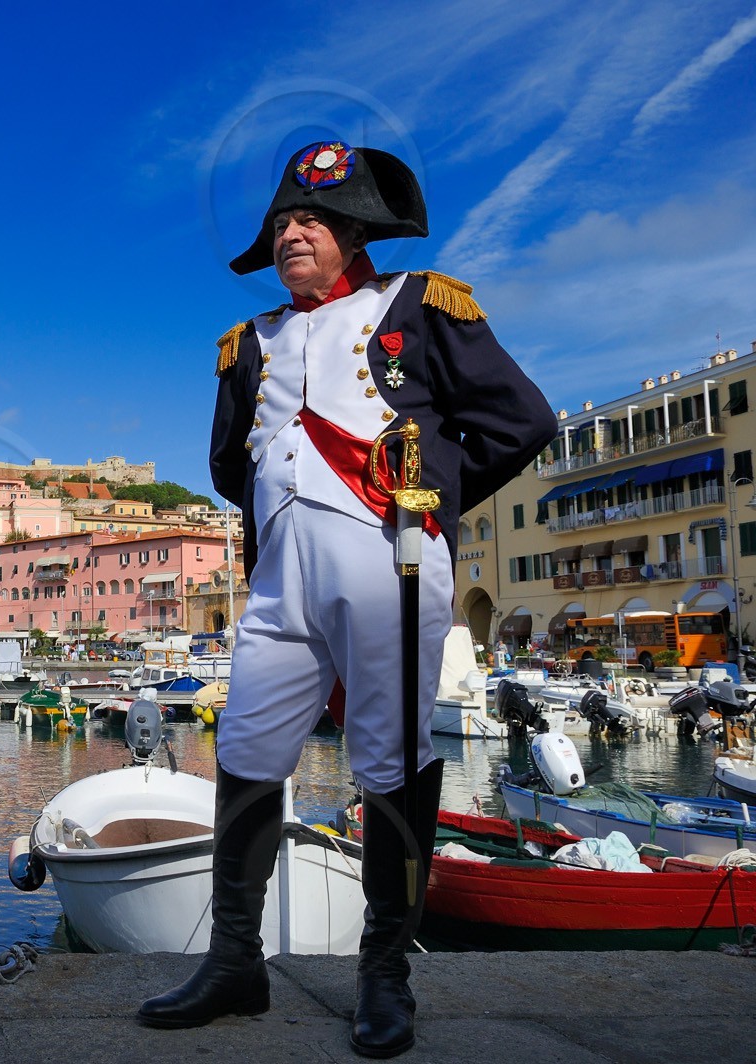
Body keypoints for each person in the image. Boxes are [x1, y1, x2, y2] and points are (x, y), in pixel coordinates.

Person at [137, 141, 556, 1057]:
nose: (293, 232)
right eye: (285, 221)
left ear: (356, 233)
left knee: (391, 760)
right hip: (281, 573)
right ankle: (236, 962)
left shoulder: (419, 306)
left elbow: (523, 421)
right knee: (246, 747)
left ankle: (385, 974)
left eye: (313, 220)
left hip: (390, 562)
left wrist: (428, 494)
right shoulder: (249, 342)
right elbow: (226, 464)